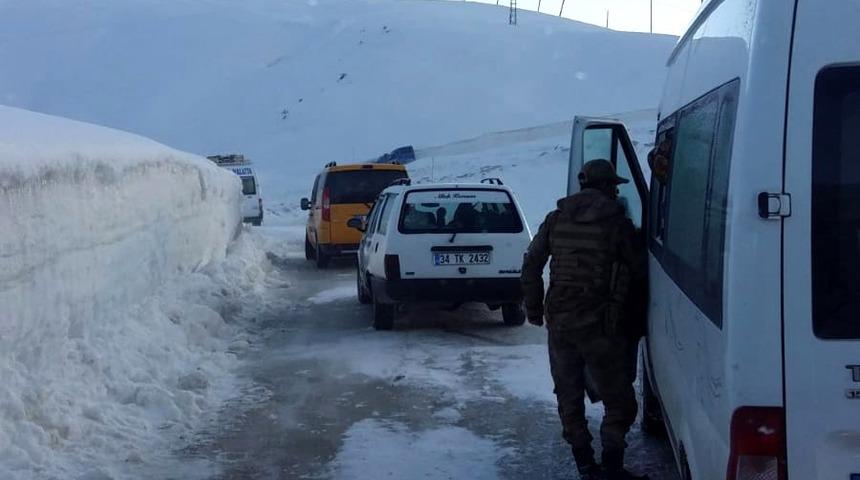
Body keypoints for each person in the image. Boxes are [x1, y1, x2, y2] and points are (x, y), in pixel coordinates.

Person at [521, 159, 647, 480]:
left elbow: (531, 265)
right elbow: (639, 271)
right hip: (601, 327)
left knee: (569, 397)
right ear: (607, 186)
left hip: (560, 323)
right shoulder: (616, 225)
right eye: (614, 186)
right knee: (620, 402)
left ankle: (586, 466)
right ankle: (612, 467)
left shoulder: (556, 219)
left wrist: (534, 311)